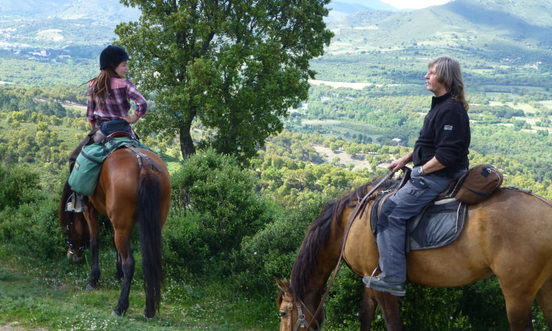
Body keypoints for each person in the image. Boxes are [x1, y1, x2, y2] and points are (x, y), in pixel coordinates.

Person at [364, 56, 471, 296]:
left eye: (431, 73)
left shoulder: (451, 110)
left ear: (444, 77)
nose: (426, 76)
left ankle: (393, 278)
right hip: (431, 173)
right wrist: (405, 160)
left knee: (389, 212)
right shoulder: (441, 106)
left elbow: (446, 156)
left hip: (438, 177)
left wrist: (420, 170)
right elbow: (430, 144)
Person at [65, 45, 148, 212]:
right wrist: (133, 118)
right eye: (124, 64)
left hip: (102, 131)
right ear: (112, 66)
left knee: (75, 158)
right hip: (124, 130)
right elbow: (142, 103)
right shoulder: (125, 84)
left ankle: (77, 199)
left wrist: (93, 130)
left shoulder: (93, 85)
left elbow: (90, 115)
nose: (127, 68)